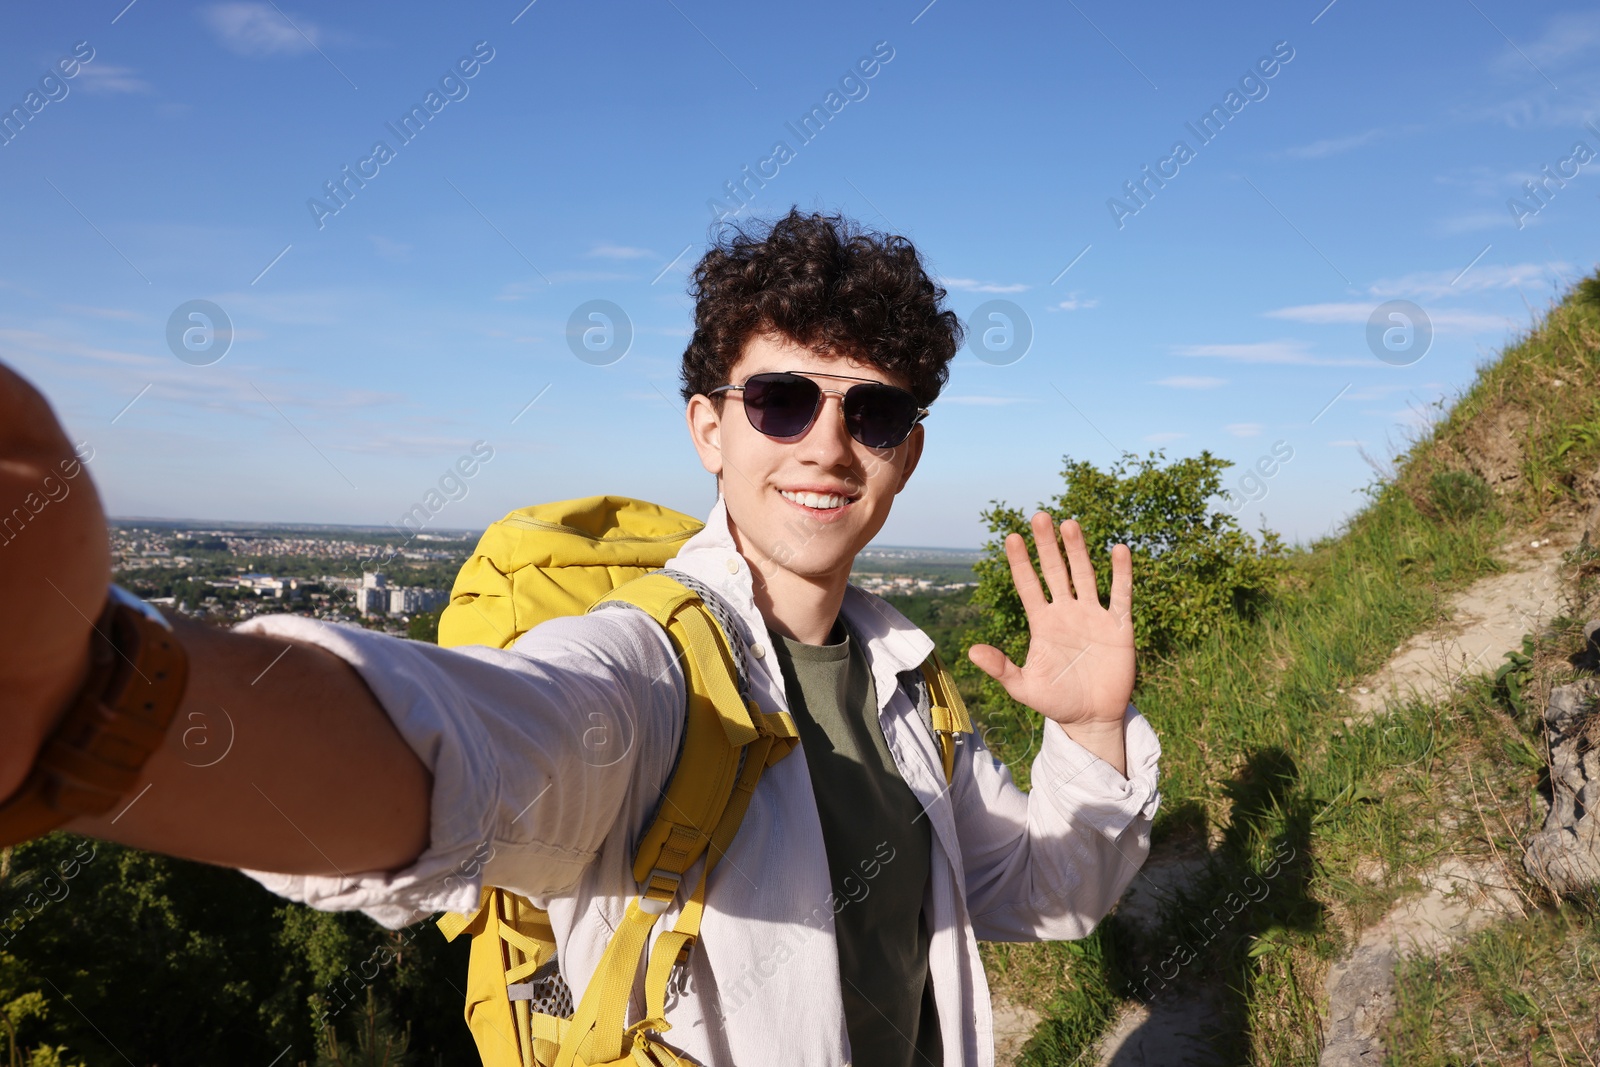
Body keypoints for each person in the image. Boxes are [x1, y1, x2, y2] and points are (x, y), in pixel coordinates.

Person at [0, 209, 1160, 1067]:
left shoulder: (908, 681)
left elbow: (1040, 894)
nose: (827, 442)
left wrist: (1093, 730)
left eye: (876, 410)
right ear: (709, 425)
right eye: (781, 399)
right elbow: (471, 747)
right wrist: (98, 699)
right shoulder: (652, 669)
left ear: (907, 450)